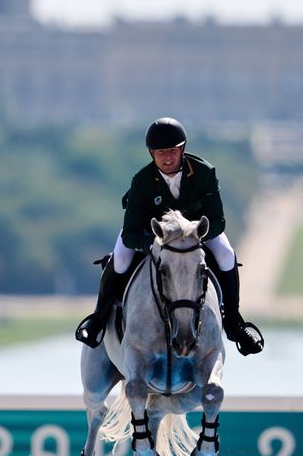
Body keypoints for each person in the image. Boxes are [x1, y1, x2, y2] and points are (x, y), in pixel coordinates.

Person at [75, 117, 265, 356]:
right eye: (160, 152)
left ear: (182, 150)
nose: (166, 158)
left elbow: (217, 220)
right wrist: (153, 244)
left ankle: (235, 322)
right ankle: (98, 320)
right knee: (121, 260)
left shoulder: (204, 172)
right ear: (152, 153)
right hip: (150, 234)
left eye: (172, 152)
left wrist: (193, 238)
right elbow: (131, 233)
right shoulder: (142, 181)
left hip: (195, 233)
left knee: (226, 254)